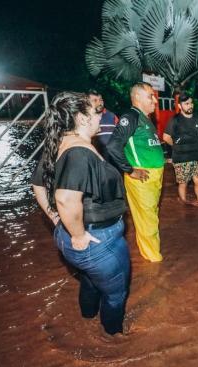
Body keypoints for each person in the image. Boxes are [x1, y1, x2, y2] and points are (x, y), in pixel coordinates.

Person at [31, 92, 131, 335]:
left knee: (89, 278)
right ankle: (113, 339)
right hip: (96, 242)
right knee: (116, 294)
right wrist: (77, 234)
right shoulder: (79, 152)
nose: (102, 115)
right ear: (82, 118)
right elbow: (65, 199)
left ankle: (87, 317)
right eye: (97, 111)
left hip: (70, 238)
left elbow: (38, 185)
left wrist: (56, 220)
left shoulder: (58, 143)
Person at [106, 82, 165, 263]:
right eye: (150, 96)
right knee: (147, 219)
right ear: (137, 97)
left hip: (154, 176)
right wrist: (130, 170)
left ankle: (148, 251)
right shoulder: (131, 116)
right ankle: (153, 261)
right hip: (143, 178)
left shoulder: (145, 118)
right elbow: (113, 145)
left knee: (150, 216)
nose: (155, 100)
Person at [163, 92, 198, 206]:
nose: (190, 105)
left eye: (191, 103)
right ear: (179, 106)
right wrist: (177, 146)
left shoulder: (197, 118)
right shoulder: (175, 120)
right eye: (186, 103)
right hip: (181, 158)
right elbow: (166, 137)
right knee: (183, 183)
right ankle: (184, 204)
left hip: (196, 156)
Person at [88, 90, 119, 160]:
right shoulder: (85, 118)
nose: (99, 103)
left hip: (112, 158)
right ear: (87, 103)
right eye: (95, 100)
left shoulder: (112, 116)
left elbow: (120, 136)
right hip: (94, 157)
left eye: (101, 100)